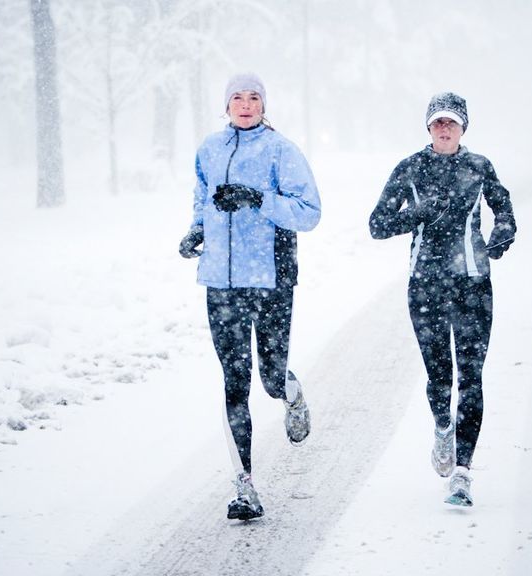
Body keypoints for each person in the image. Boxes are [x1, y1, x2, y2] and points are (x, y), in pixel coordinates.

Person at [177, 72, 322, 521]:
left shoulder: (281, 150)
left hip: (271, 279)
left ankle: (290, 393)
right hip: (221, 284)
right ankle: (245, 486)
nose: (244, 104)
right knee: (234, 382)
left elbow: (310, 212)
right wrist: (196, 232)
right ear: (225, 106)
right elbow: (203, 199)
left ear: (264, 105)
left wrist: (258, 198)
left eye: (253, 97)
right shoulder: (209, 149)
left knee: (270, 377)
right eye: (236, 98)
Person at [368, 92, 516, 507]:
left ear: (464, 127)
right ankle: (442, 427)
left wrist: (503, 231)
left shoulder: (479, 167)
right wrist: (417, 212)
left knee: (471, 378)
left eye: (452, 122)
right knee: (440, 378)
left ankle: (463, 474)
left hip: (472, 285)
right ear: (428, 128)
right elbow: (377, 225)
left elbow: (504, 209)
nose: (445, 128)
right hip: (426, 286)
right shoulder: (410, 168)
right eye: (438, 123)